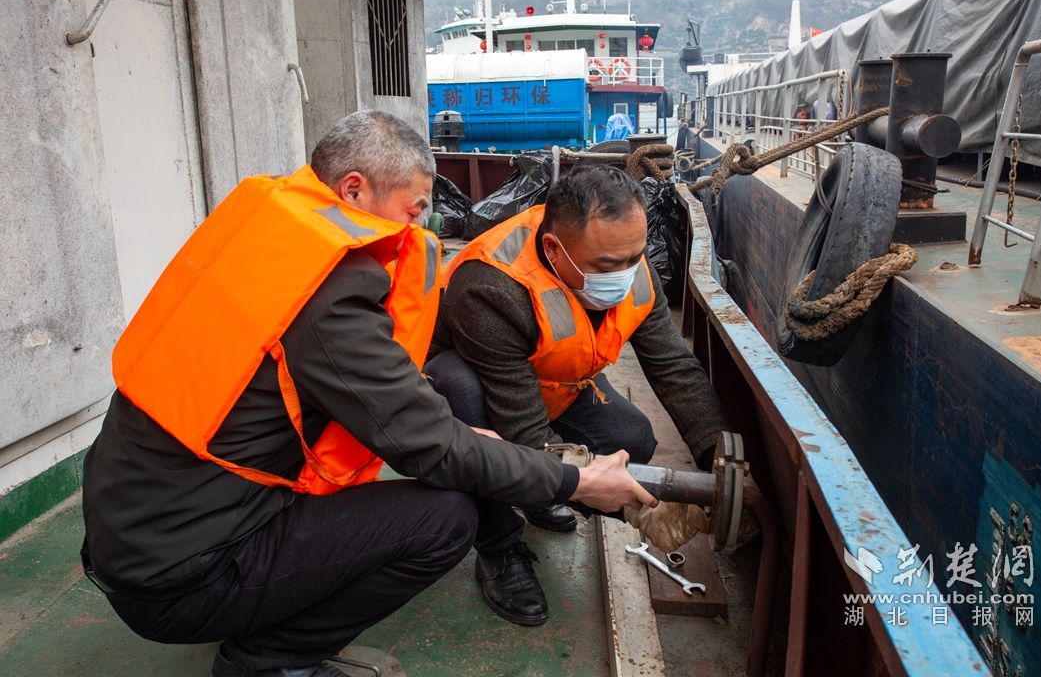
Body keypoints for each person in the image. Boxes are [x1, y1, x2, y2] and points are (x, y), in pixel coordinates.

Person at [80, 111, 655, 677]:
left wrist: (453, 433)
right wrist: (576, 481)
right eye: (414, 209)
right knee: (445, 519)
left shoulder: (271, 239)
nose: (419, 229)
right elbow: (427, 447)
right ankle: (267, 662)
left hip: (133, 534)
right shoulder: (331, 291)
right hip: (182, 577)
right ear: (353, 189)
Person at [425, 164, 731, 627]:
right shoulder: (492, 286)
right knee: (460, 389)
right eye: (608, 266)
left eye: (635, 257)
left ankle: (536, 494)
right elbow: (520, 424)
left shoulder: (626, 263)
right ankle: (499, 548)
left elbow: (673, 366)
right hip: (483, 397)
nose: (625, 274)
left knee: (634, 440)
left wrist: (718, 459)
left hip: (557, 382)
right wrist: (583, 483)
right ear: (554, 248)